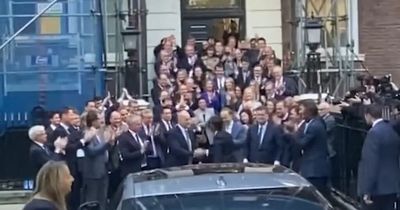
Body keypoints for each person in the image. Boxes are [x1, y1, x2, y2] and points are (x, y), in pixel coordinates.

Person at [358, 104, 400, 210]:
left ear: (368, 115)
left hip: (377, 188)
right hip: (391, 185)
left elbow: (370, 163)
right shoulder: (392, 130)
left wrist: (367, 190)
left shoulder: (373, 134)